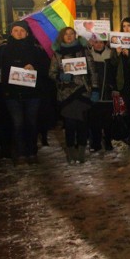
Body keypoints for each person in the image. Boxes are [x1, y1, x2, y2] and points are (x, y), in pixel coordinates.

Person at [0, 20, 50, 164]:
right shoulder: (4, 49)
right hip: (12, 93)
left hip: (32, 93)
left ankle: (32, 152)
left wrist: (34, 67)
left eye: (22, 30)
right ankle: (20, 153)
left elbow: (46, 69)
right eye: (16, 30)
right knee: (17, 124)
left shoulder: (35, 49)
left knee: (31, 123)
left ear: (26, 32)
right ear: (11, 32)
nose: (19, 33)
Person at [50, 27, 98, 164]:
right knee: (70, 125)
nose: (69, 36)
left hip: (83, 92)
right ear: (62, 37)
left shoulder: (83, 50)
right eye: (66, 34)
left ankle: (81, 152)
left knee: (82, 123)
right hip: (66, 95)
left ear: (76, 36)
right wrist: (60, 76)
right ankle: (71, 153)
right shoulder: (57, 54)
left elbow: (93, 71)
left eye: (72, 34)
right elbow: (51, 73)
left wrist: (95, 89)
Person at [88, 36, 118, 152]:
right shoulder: (89, 55)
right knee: (94, 120)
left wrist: (114, 88)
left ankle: (108, 141)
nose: (99, 44)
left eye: (101, 42)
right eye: (96, 42)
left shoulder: (111, 54)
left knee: (107, 120)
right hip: (93, 92)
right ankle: (96, 142)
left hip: (107, 92)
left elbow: (115, 72)